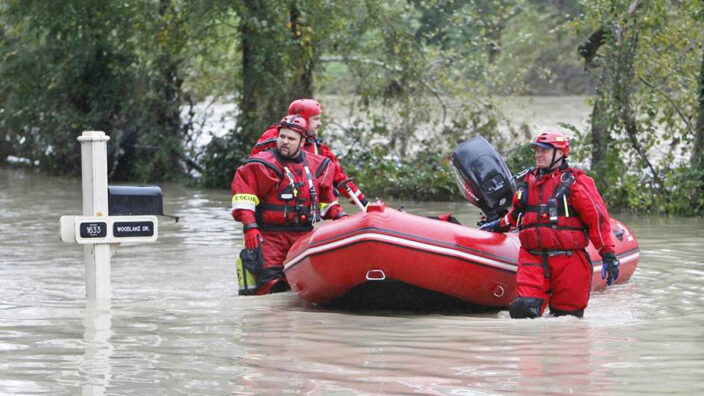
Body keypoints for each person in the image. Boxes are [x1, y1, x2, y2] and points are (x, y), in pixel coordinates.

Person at [480, 130, 620, 318]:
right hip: (532, 259)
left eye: (544, 151)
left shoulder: (577, 183)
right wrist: (498, 225)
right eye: (537, 150)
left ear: (560, 153)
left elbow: (597, 221)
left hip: (569, 261)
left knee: (568, 318)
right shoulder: (528, 182)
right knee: (523, 313)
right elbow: (516, 214)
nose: (538, 155)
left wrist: (609, 256)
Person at [232, 114, 347, 295]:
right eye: (282, 137)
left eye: (291, 138)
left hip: (302, 236)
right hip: (270, 237)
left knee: (303, 289)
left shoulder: (319, 166)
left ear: (302, 142)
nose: (285, 142)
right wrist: (250, 227)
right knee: (272, 288)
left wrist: (342, 217)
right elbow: (244, 198)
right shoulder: (261, 165)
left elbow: (327, 202)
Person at [249, 98, 369, 209]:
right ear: (303, 119)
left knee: (330, 193)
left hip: (300, 207)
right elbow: (252, 169)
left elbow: (339, 176)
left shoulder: (316, 146)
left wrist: (364, 202)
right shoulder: (275, 138)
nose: (320, 123)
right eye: (316, 119)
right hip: (274, 205)